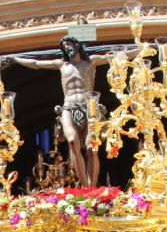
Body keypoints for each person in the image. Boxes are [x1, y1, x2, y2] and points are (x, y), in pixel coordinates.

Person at [12, 37, 116, 187]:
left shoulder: (90, 62)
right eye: (65, 47)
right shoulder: (62, 65)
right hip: (68, 106)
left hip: (88, 108)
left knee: (91, 148)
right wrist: (14, 59)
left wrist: (142, 48)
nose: (68, 49)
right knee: (72, 141)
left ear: (77, 45)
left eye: (70, 45)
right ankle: (85, 185)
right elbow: (36, 64)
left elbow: (115, 56)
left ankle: (91, 186)